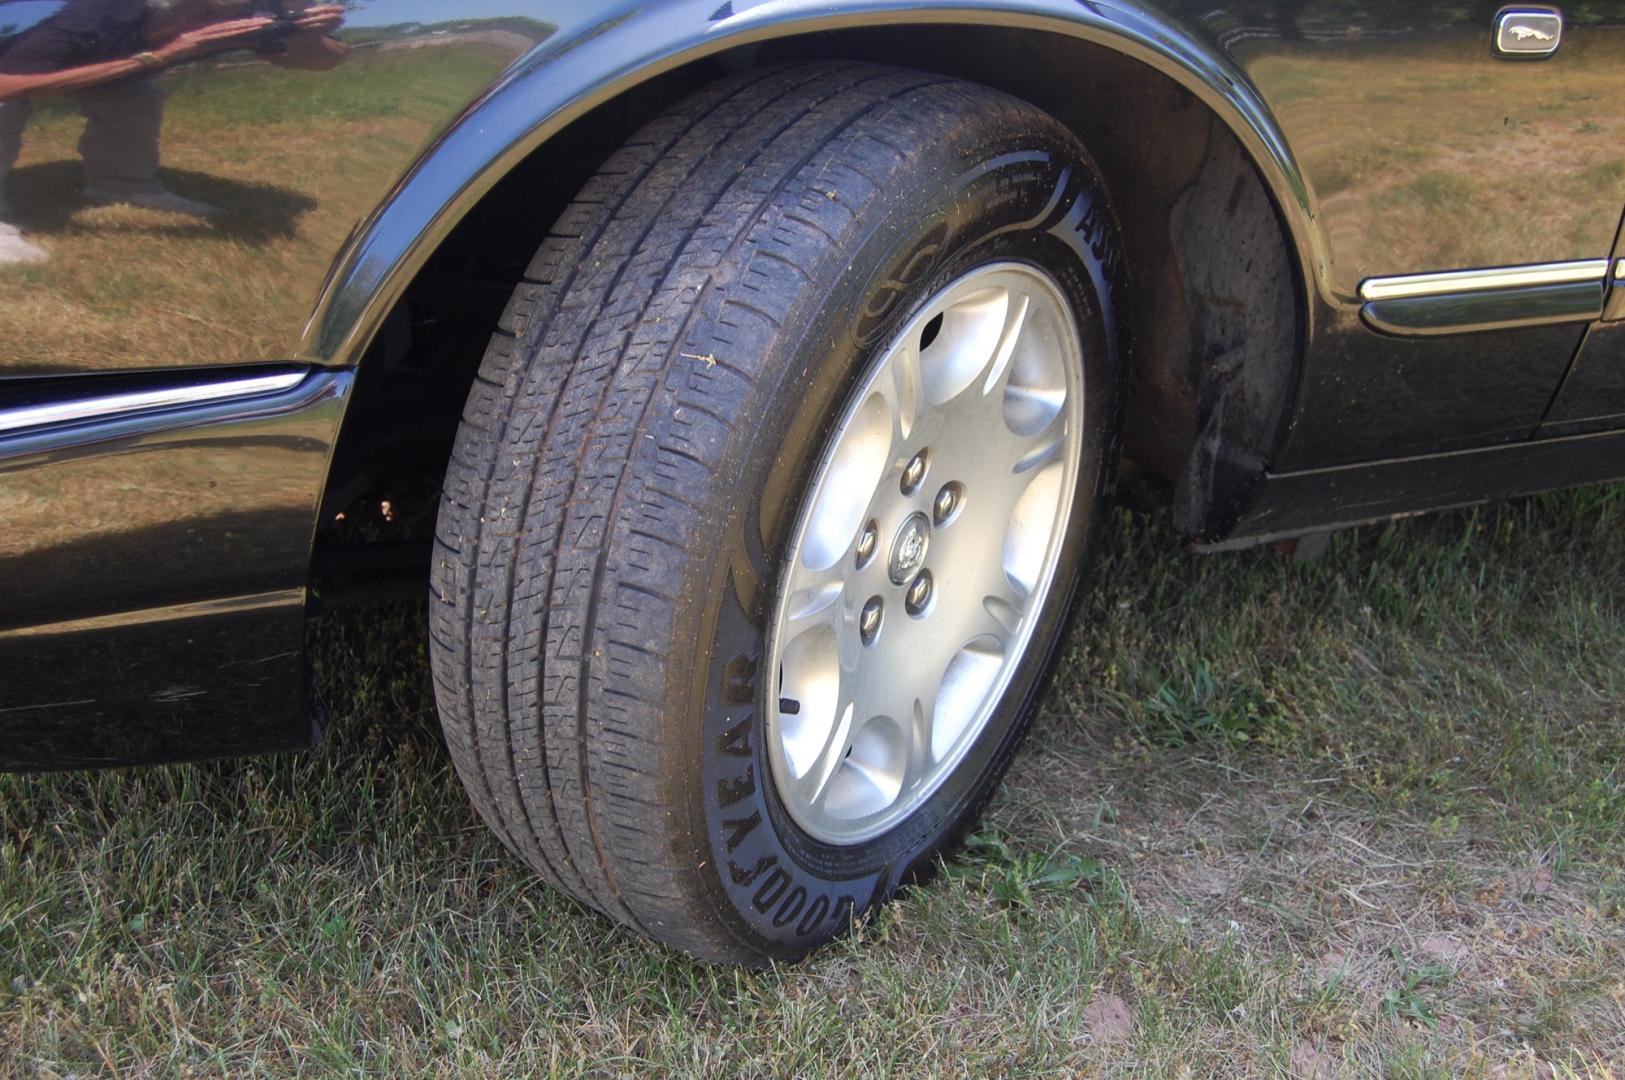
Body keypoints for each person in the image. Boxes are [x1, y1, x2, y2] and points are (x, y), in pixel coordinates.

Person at [0, 0, 346, 264]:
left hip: (105, 66)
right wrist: (161, 57)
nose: (229, 28)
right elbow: (7, 86)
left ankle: (123, 186)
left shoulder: (228, 15)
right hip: (10, 70)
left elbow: (328, 59)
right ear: (183, 15)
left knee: (137, 94)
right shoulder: (95, 16)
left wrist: (305, 32)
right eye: (209, 17)